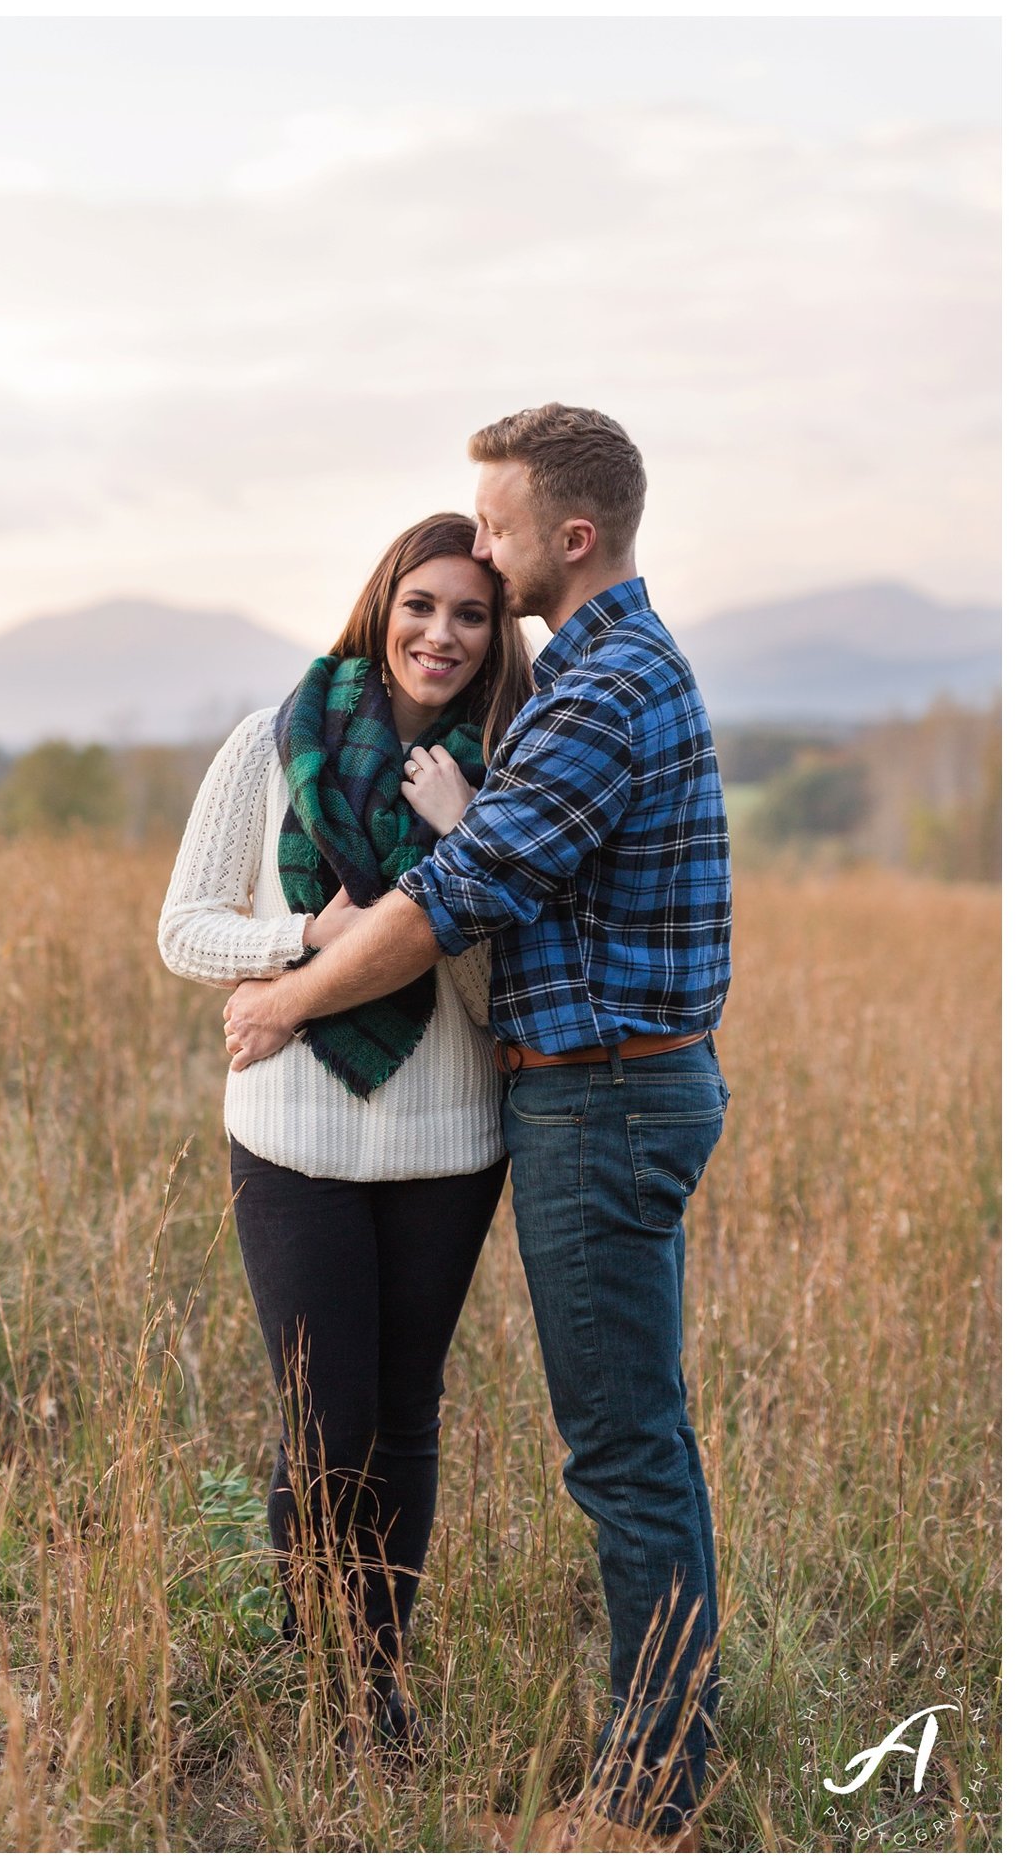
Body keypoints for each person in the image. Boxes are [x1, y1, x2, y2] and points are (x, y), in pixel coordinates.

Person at [221, 405, 731, 1850]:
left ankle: (651, 1792)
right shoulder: (608, 676)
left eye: (496, 530)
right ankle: (624, 1749)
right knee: (630, 1443)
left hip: (603, 1089)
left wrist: (287, 996)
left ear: (570, 538)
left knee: (625, 1454)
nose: (482, 554)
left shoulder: (594, 692)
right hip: (604, 1082)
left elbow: (456, 903)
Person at [159, 513, 532, 1750]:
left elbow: (496, 991)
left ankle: (376, 1680)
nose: (441, 632)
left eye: (470, 614)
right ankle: (314, 1667)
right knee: (324, 1418)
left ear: (494, 638)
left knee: (406, 1412)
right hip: (289, 1136)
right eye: (421, 604)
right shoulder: (269, 746)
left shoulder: (505, 771)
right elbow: (185, 930)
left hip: (446, 1143)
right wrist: (307, 942)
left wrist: (459, 838)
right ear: (382, 604)